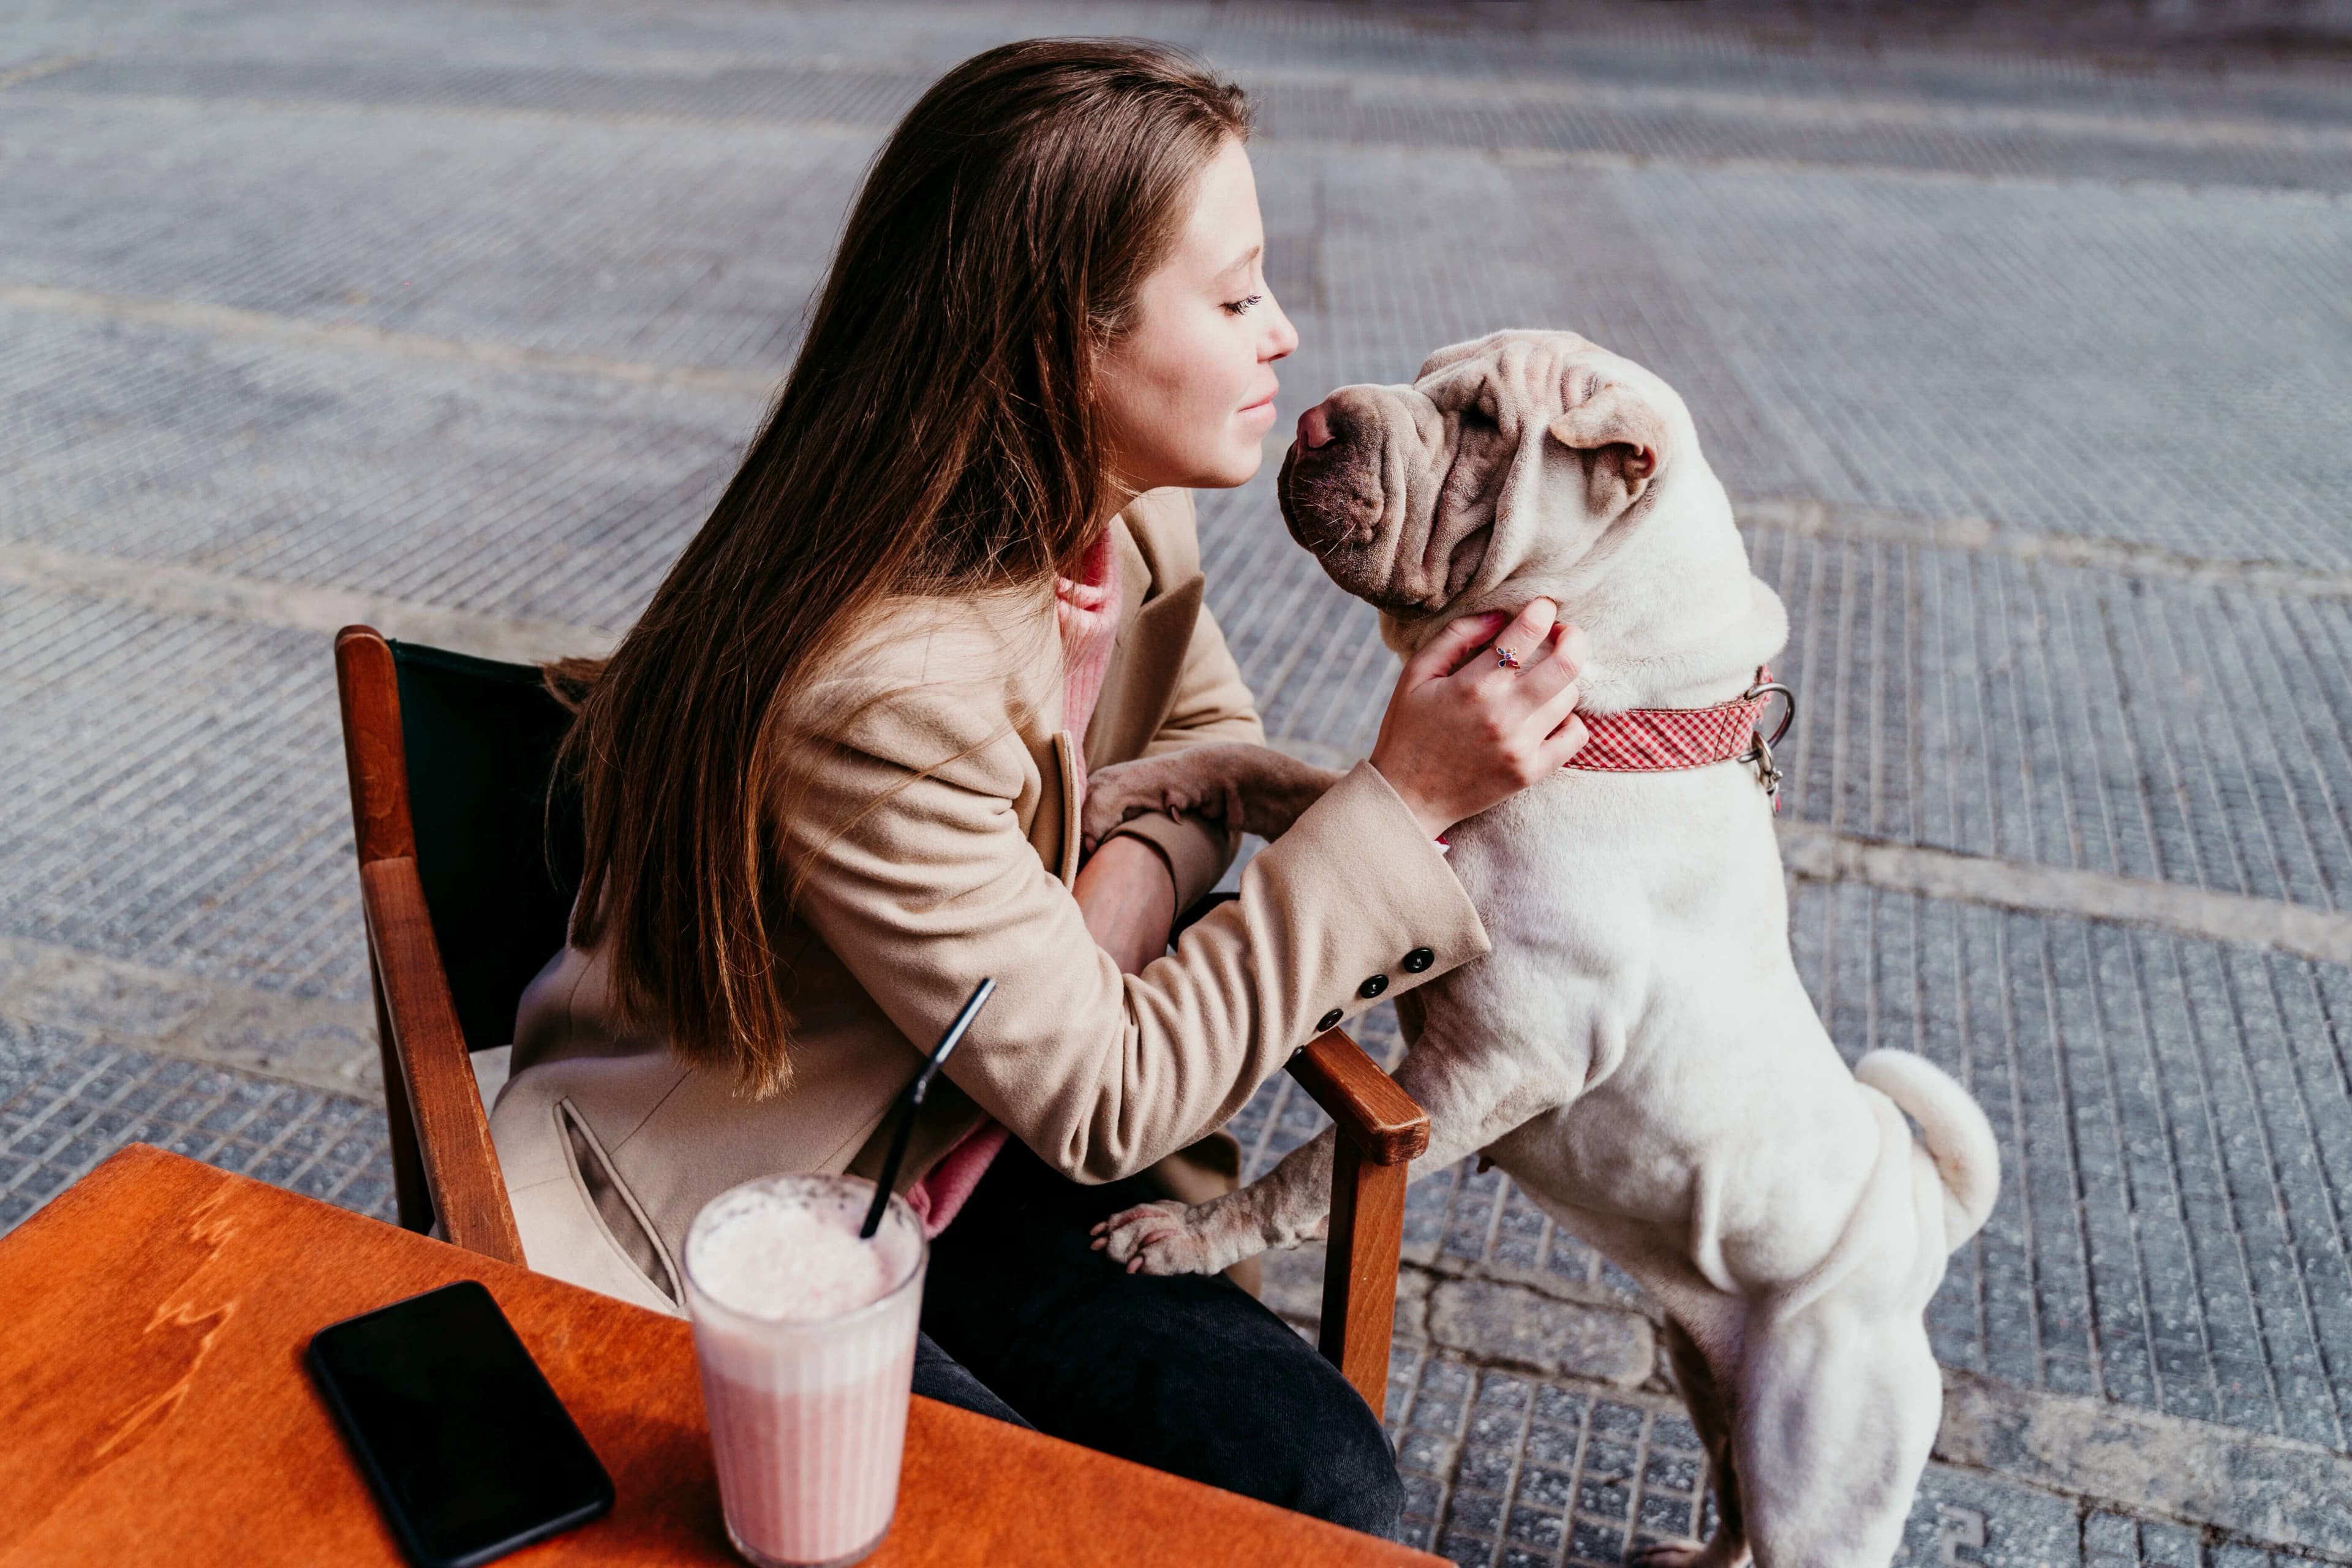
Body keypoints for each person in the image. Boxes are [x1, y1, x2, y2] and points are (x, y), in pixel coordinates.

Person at [493, 38, 1587, 1537]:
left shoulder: (1124, 530)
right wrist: (1398, 797)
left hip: (967, 1130)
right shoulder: (888, 694)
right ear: (1063, 342)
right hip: (740, 1217)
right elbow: (1107, 1088)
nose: (1285, 335)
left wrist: (1114, 888)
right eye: (1233, 293)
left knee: (1317, 1482)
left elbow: (1205, 738)